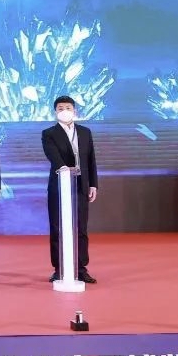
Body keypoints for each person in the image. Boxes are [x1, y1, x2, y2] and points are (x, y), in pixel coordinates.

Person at [42, 95, 99, 284]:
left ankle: (81, 268)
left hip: (81, 185)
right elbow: (53, 156)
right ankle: (59, 268)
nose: (64, 111)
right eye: (60, 108)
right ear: (55, 112)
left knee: (81, 227)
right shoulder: (49, 133)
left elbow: (90, 159)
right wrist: (64, 169)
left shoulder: (85, 132)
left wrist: (93, 184)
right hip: (59, 185)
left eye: (68, 108)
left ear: (75, 110)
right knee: (57, 227)